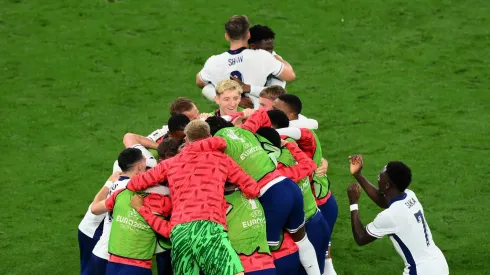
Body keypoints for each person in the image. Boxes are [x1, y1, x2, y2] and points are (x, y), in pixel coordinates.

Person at [126, 120, 261, 275]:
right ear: (209, 136)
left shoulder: (170, 163)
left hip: (179, 232)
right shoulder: (222, 160)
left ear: (187, 140)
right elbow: (252, 189)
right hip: (209, 228)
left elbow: (134, 184)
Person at [206, 110, 321, 275]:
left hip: (272, 195)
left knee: (266, 250)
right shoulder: (245, 131)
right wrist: (271, 134)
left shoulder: (219, 144)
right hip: (288, 186)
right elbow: (261, 113)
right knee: (302, 240)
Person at [348, 155, 449, 275]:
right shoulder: (409, 195)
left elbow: (361, 237)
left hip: (421, 270)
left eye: (381, 175)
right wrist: (358, 175)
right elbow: (383, 200)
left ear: (387, 185)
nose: (378, 176)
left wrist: (353, 202)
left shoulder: (390, 216)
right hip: (438, 262)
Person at [197, 15, 296, 109]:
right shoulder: (263, 56)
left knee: (206, 89)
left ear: (226, 36)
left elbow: (200, 82)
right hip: (257, 116)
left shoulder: (213, 61)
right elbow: (290, 76)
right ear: (248, 34)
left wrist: (230, 99)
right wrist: (274, 55)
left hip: (229, 119)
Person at [86, 148, 150, 275]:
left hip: (99, 252)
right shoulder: (131, 188)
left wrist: (108, 182)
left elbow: (94, 208)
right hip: (114, 256)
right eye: (144, 161)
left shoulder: (116, 184)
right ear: (139, 166)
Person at [91, 185, 171, 275]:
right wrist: (141, 209)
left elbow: (94, 209)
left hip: (113, 264)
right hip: (138, 267)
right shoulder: (165, 203)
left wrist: (108, 183)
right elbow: (170, 231)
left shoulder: (121, 193)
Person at [78, 172, 120, 275]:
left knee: (88, 267)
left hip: (86, 227)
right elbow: (95, 209)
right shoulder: (121, 186)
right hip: (94, 231)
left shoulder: (113, 181)